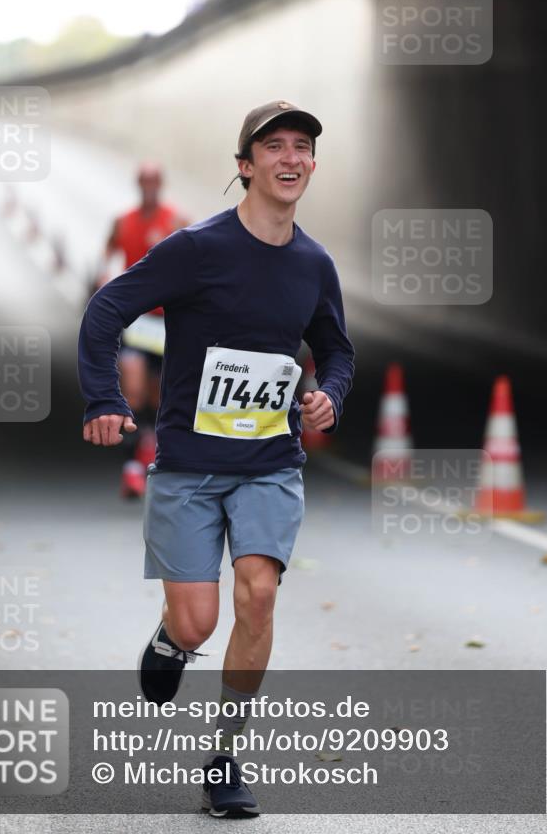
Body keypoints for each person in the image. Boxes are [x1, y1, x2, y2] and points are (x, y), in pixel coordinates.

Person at [78, 100, 355, 817]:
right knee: (199, 622)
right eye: (274, 147)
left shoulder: (313, 263)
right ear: (245, 166)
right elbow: (107, 310)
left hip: (269, 463)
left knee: (258, 593)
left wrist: (329, 394)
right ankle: (174, 640)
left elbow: (336, 350)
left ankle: (225, 756)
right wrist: (104, 399)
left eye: (302, 147)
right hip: (189, 467)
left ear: (311, 165)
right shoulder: (197, 249)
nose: (291, 158)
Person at [100, 161, 188, 496]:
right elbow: (106, 254)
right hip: (137, 320)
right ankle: (132, 467)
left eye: (155, 181)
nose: (149, 186)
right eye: (144, 181)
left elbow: (200, 256)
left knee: (161, 394)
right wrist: (104, 280)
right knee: (133, 388)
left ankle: (150, 446)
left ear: (161, 184)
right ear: (138, 184)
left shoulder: (177, 221)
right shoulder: (123, 222)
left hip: (169, 322)